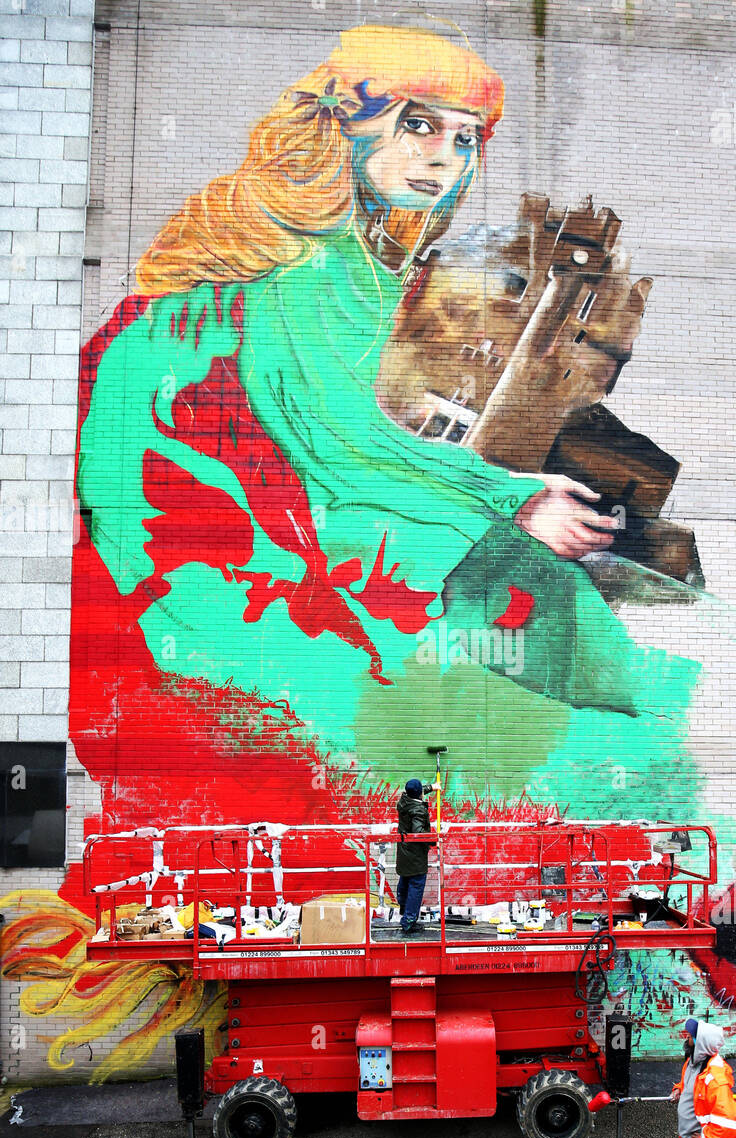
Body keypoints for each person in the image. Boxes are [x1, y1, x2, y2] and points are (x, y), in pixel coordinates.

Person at [72, 22, 702, 832]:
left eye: (467, 140)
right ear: (342, 127)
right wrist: (511, 500)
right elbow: (343, 441)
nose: (447, 157)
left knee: (514, 619)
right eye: (418, 126)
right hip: (203, 519)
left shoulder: (369, 262)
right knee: (472, 632)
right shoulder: (310, 264)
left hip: (272, 502)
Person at [395, 778, 432, 934]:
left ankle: (404, 907)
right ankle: (409, 921)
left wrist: (432, 787)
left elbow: (416, 791)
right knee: (416, 887)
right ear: (419, 794)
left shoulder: (403, 802)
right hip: (416, 856)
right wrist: (434, 838)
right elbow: (418, 832)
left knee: (405, 880)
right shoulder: (418, 810)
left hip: (404, 852)